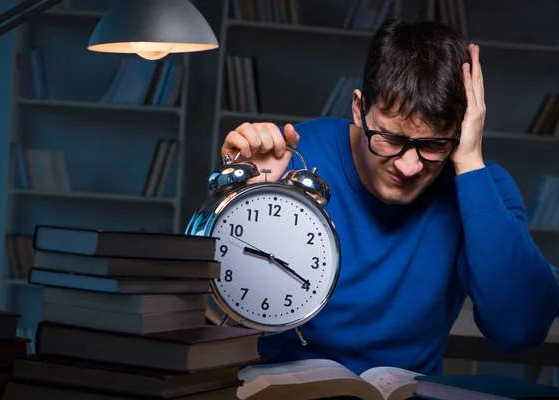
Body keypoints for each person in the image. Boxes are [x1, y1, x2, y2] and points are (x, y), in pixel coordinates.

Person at [220, 18, 559, 376]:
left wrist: (470, 164)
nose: (410, 166)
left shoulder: (479, 184)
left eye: (433, 144)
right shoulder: (295, 155)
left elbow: (520, 330)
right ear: (358, 109)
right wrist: (245, 201)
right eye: (391, 139)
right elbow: (216, 309)